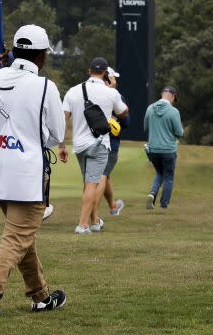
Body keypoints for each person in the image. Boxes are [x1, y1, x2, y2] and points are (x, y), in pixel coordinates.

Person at [0, 24, 67, 316]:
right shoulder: (45, 86)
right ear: (41, 55)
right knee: (16, 238)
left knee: (23, 236)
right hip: (28, 173)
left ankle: (40, 296)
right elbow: (57, 134)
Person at [59, 57, 128, 234]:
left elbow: (62, 119)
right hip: (99, 144)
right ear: (105, 73)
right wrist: (113, 89)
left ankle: (95, 221)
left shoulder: (73, 91)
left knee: (88, 183)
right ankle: (82, 225)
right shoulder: (110, 92)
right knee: (92, 185)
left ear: (89, 71)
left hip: (80, 145)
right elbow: (123, 112)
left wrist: (61, 145)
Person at [144, 86, 184, 209]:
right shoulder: (173, 112)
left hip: (153, 150)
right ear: (172, 96)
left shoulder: (150, 109)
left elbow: (145, 128)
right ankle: (164, 204)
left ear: (162, 94)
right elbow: (179, 133)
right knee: (168, 177)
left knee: (160, 173)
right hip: (168, 150)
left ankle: (152, 194)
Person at [100, 66, 128, 216]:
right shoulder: (115, 95)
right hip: (111, 143)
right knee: (102, 176)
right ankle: (93, 215)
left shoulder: (90, 93)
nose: (115, 80)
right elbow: (126, 122)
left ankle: (112, 206)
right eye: (113, 77)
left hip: (91, 140)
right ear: (108, 79)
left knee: (105, 175)